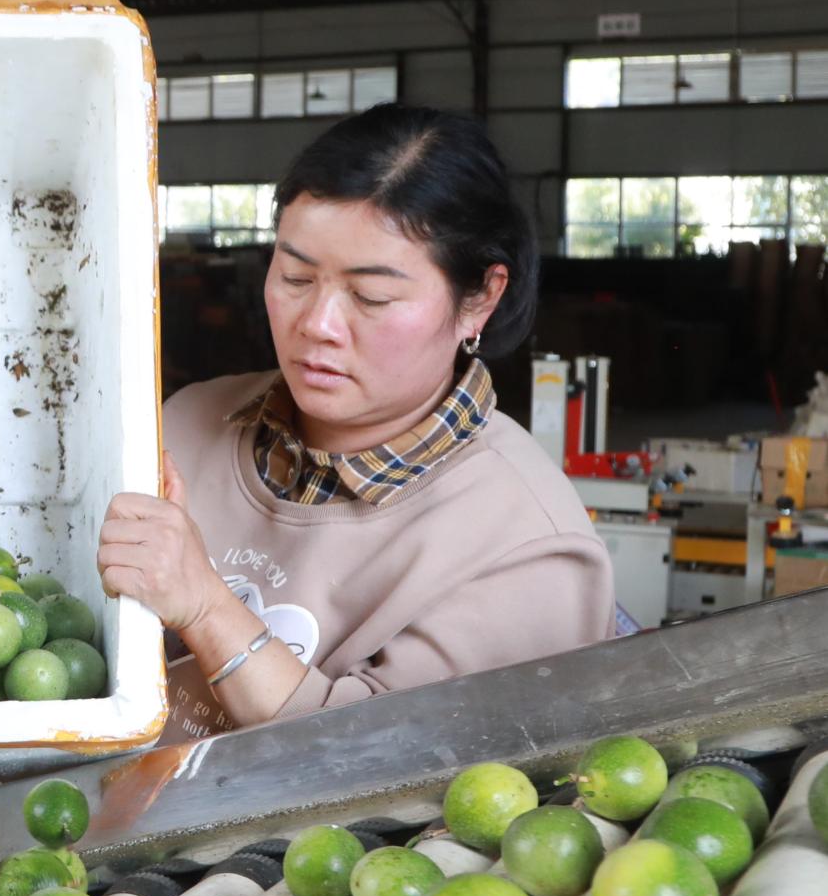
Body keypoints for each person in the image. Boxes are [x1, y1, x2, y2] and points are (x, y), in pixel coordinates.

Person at [100, 104, 614, 729]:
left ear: (479, 299)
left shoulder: (529, 550)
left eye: (371, 296)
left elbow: (378, 775)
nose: (316, 325)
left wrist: (208, 608)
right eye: (294, 276)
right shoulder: (182, 426)